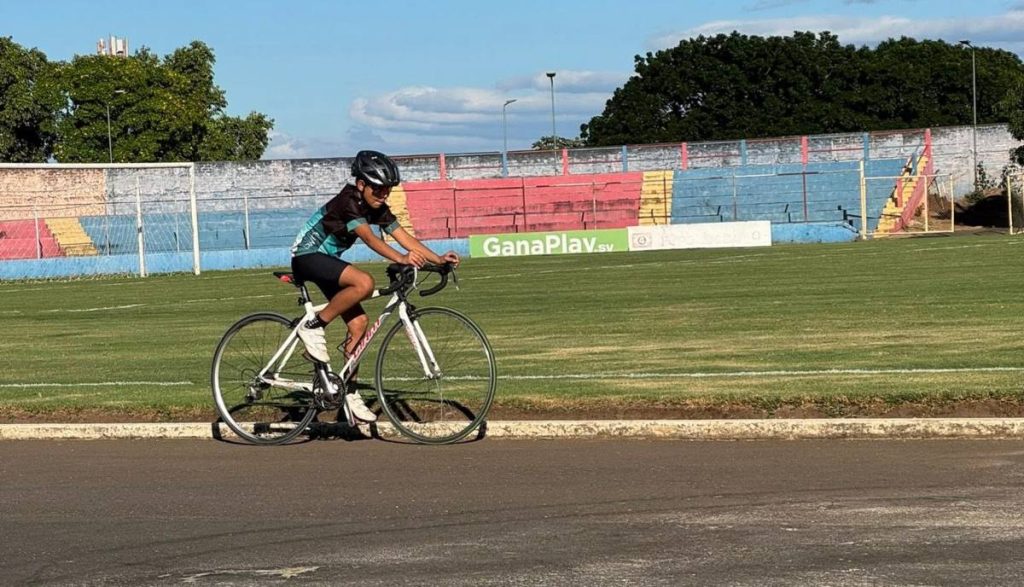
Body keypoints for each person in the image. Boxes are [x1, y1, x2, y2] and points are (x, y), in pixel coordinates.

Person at [290, 150, 460, 422]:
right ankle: (312, 327)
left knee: (358, 325)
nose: (383, 195)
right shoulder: (348, 201)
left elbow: (403, 235)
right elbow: (369, 239)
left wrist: (437, 259)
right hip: (306, 256)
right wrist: (401, 258)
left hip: (327, 260)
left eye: (388, 190)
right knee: (364, 282)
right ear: (361, 185)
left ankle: (349, 390)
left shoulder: (377, 205)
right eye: (379, 189)